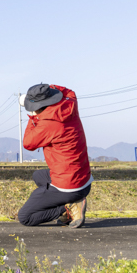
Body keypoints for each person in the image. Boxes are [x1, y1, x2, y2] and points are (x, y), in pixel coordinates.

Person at [16, 83, 92, 228]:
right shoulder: (70, 103)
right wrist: (46, 90)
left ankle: (67, 208)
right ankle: (71, 203)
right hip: (84, 181)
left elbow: (28, 143)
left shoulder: (48, 124)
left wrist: (33, 117)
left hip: (69, 187)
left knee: (26, 217)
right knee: (38, 176)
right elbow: (68, 91)